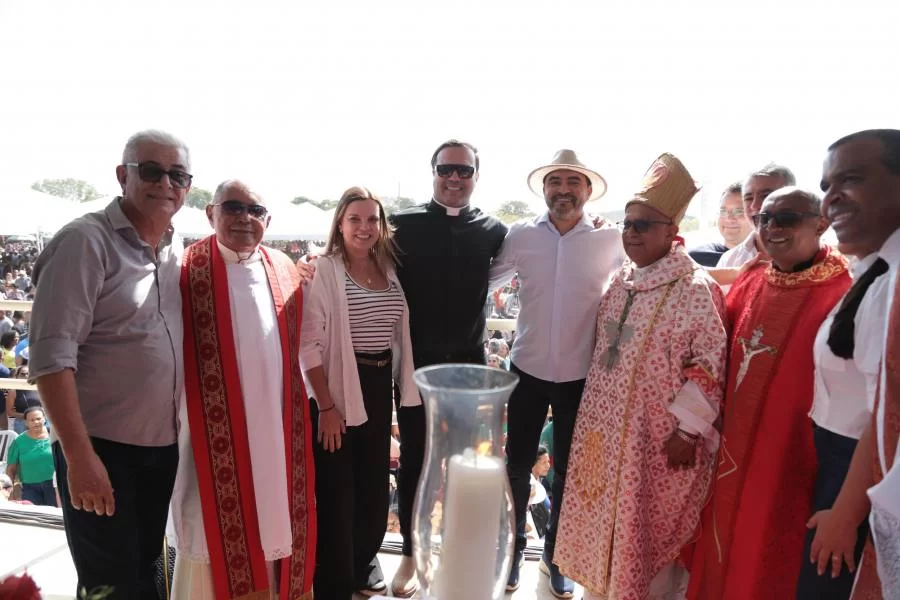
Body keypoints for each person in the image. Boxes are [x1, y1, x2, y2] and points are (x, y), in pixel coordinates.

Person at [554, 153, 727, 600]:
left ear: (672, 231)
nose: (631, 233)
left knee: (646, 548)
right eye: (627, 224)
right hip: (605, 440)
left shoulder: (694, 288)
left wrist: (687, 433)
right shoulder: (621, 280)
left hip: (656, 443)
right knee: (601, 538)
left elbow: (709, 366)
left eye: (643, 225)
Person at [30, 130, 189, 599]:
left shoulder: (172, 249)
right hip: (102, 452)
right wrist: (80, 459)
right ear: (123, 175)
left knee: (150, 575)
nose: (166, 183)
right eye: (152, 171)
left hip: (162, 452)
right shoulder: (85, 242)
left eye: (177, 174)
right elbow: (51, 360)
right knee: (110, 586)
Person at [687, 186, 852, 600]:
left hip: (796, 462)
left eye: (787, 218)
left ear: (822, 223)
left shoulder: (845, 294)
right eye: (764, 219)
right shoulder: (751, 280)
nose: (772, 228)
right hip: (731, 453)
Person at [488, 148, 625, 596]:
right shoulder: (521, 234)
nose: (563, 191)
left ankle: (557, 555)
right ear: (544, 189)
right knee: (515, 464)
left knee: (568, 469)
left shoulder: (611, 239)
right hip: (525, 370)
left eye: (572, 183)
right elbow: (483, 280)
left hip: (582, 376)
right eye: (555, 182)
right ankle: (511, 551)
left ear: (588, 191)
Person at [170, 180, 315, 600]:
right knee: (207, 531)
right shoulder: (183, 269)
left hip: (275, 434)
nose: (244, 218)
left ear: (268, 220)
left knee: (276, 525)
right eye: (233, 207)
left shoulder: (286, 269)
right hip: (208, 441)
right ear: (210, 213)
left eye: (255, 210)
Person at [388, 140, 508, 597]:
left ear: (477, 173)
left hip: (469, 369)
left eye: (464, 170)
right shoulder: (401, 224)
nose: (454, 178)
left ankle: (458, 554)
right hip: (415, 367)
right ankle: (410, 557)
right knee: (416, 458)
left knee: (466, 461)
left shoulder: (494, 230)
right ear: (433, 171)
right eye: (446, 169)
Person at [300, 186, 418, 600]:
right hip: (338, 387)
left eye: (372, 219)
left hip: (378, 385)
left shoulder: (388, 267)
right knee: (337, 492)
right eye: (355, 219)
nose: (365, 227)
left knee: (372, 487)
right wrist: (326, 407)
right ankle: (332, 584)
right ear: (340, 223)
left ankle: (359, 566)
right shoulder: (326, 269)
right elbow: (308, 346)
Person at [816, 129, 900, 598]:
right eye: (827, 186)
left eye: (851, 179)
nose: (831, 200)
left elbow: (886, 413)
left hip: (866, 477)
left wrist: (846, 513)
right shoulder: (875, 269)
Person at [689, 182, 753, 267]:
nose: (729, 219)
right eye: (723, 211)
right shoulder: (694, 259)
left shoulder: (768, 262)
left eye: (739, 212)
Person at [5, 406, 55, 506]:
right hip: (30, 488)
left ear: (45, 418)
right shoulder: (18, 441)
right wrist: (11, 489)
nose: (36, 422)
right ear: (26, 423)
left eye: (38, 418)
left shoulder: (55, 437)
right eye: (32, 420)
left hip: (54, 486)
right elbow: (11, 469)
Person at [6, 365, 40, 434]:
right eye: (22, 374)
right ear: (17, 376)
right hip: (22, 422)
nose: (26, 376)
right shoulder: (13, 391)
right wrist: (26, 416)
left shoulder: (38, 388)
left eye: (28, 373)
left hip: (39, 420)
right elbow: (9, 412)